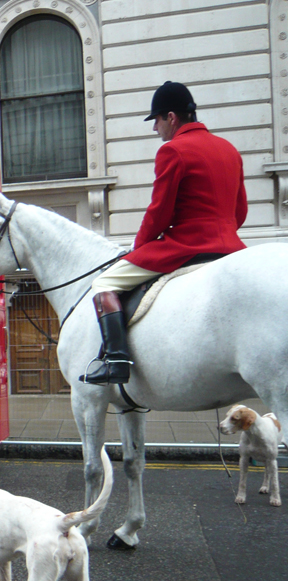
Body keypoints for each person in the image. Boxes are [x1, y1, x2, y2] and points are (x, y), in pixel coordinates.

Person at [79, 81, 248, 385]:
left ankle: (116, 360)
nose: (154, 129)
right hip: (233, 248)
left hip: (188, 245)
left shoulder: (173, 150)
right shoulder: (229, 150)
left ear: (171, 117)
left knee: (103, 282)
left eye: (156, 121)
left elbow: (160, 213)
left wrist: (138, 248)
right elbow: (241, 212)